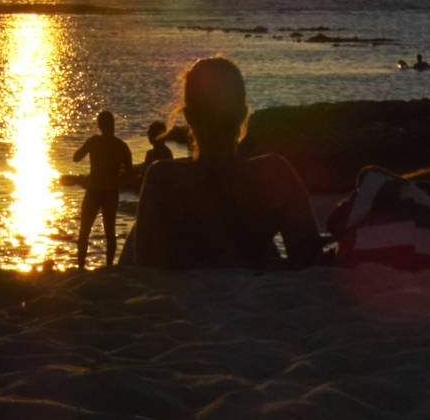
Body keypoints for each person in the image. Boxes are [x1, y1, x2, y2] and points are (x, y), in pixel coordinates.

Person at [127, 56, 323, 270]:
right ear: (243, 114)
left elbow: (145, 265)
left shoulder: (162, 179)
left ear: (188, 117)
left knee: (132, 237)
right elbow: (309, 259)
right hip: (252, 274)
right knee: (269, 251)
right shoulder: (275, 174)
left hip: (187, 287)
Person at [73, 110, 133, 268]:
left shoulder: (94, 142)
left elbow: (76, 158)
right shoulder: (121, 145)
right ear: (112, 125)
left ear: (99, 126)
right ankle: (108, 266)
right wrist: (118, 180)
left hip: (94, 190)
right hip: (110, 192)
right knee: (110, 232)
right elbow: (130, 173)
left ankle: (80, 267)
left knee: (84, 230)